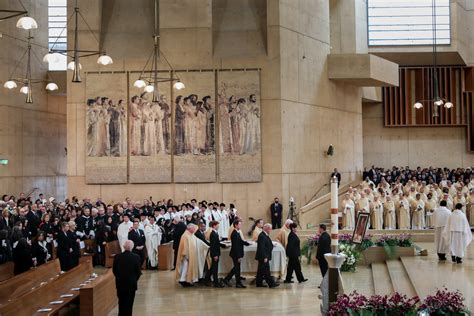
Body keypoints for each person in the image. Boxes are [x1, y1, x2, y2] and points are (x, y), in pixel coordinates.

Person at [113, 240, 142, 316]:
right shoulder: (136, 257)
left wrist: (119, 278)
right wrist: (134, 279)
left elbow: (114, 270)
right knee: (129, 303)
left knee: (121, 302)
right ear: (132, 247)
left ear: (123, 246)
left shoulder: (117, 257)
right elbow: (138, 272)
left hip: (120, 284)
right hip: (131, 284)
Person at [223, 219, 250, 288]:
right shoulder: (234, 233)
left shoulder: (237, 232)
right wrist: (239, 256)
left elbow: (241, 241)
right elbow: (236, 246)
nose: (241, 225)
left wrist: (248, 243)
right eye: (240, 224)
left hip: (236, 253)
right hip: (236, 254)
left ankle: (227, 279)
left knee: (236, 268)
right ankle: (238, 283)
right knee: (237, 268)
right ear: (236, 225)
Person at [255, 223, 278, 288]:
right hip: (263, 256)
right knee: (266, 271)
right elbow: (261, 248)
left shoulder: (265, 235)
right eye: (270, 229)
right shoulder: (262, 235)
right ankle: (271, 284)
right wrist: (264, 257)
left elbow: (267, 244)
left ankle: (258, 283)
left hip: (265, 255)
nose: (271, 230)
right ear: (267, 229)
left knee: (260, 271)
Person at [208, 221, 224, 288]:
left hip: (216, 253)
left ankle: (207, 279)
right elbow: (213, 245)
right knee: (215, 269)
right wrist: (215, 255)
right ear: (214, 226)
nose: (218, 226)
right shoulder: (213, 234)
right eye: (217, 225)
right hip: (215, 254)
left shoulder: (215, 233)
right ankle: (216, 283)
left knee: (213, 268)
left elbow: (217, 243)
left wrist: (223, 245)